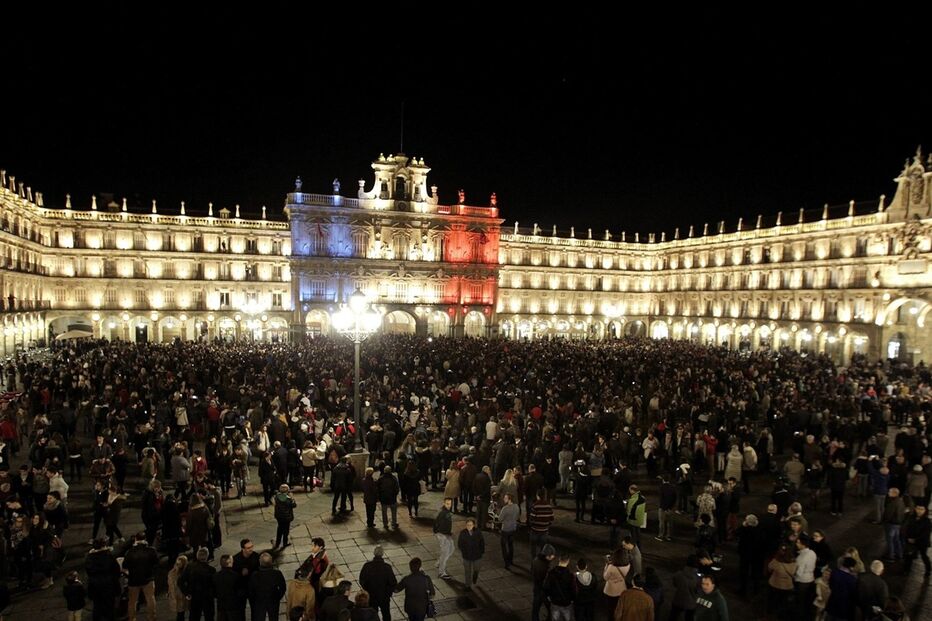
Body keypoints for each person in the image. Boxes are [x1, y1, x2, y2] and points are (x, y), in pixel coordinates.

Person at [123, 532, 159, 621]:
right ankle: (151, 617)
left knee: (132, 601)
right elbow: (156, 563)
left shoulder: (130, 552)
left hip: (133, 580)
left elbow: (124, 565)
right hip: (148, 578)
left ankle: (132, 618)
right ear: (145, 539)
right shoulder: (151, 550)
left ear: (136, 539)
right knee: (150, 599)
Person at [85, 538, 121, 621]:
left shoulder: (89, 558)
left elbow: (89, 572)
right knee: (109, 606)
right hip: (109, 585)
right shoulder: (109, 556)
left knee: (97, 606)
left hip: (95, 586)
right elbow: (116, 571)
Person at [359, 546, 397, 621]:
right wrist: (388, 592)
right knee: (386, 614)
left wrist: (367, 590)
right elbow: (393, 582)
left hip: (371, 596)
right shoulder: (387, 567)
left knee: (373, 615)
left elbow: (362, 580)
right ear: (382, 554)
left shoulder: (367, 566)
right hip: (384, 597)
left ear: (374, 553)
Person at [249, 552, 287, 621]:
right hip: (273, 601)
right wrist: (277, 597)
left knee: (259, 618)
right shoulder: (277, 573)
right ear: (271, 562)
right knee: (274, 618)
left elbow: (251, 590)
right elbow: (283, 587)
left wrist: (254, 600)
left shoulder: (255, 575)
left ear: (260, 562)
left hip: (259, 602)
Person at [181, 547, 216, 621]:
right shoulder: (211, 570)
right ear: (207, 557)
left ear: (197, 556)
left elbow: (180, 581)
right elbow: (214, 585)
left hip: (194, 597)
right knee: (209, 617)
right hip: (207, 598)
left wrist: (187, 593)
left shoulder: (190, 567)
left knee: (194, 617)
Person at [903, 503, 932, 577]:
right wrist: (908, 537)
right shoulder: (912, 517)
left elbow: (925, 534)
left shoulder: (927, 521)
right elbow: (907, 528)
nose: (919, 511)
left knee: (924, 556)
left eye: (921, 509)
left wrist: (915, 539)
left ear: (925, 510)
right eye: (918, 508)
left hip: (922, 542)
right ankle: (906, 570)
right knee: (908, 556)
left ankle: (928, 570)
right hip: (911, 541)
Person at [544, 554, 576, 621]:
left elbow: (546, 586)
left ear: (559, 560)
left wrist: (548, 596)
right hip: (566, 603)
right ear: (568, 561)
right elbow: (573, 589)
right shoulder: (570, 575)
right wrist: (572, 599)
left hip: (555, 602)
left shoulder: (551, 573)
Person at [214, 554, 246, 621]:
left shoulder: (216, 576)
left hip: (221, 607)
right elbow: (241, 592)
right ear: (230, 562)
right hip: (233, 607)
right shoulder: (236, 576)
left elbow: (214, 591)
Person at [670, 555, 700, 621]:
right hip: (691, 604)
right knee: (689, 618)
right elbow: (698, 591)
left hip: (678, 600)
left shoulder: (678, 574)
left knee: (673, 617)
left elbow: (675, 584)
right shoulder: (698, 578)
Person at [458, 517, 485, 590]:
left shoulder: (478, 532)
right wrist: (463, 551)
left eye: (470, 525)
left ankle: (475, 575)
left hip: (477, 555)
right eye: (467, 525)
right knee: (467, 571)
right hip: (467, 556)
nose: (469, 526)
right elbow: (460, 544)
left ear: (474, 525)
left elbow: (482, 542)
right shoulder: (463, 533)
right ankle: (468, 585)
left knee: (476, 569)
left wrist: (481, 551)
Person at [602, 549, 631, 615]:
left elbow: (605, 577)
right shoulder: (628, 565)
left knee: (611, 608)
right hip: (621, 589)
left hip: (611, 590)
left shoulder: (611, 567)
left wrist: (606, 565)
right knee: (619, 607)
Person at [532, 544, 556, 621]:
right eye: (552, 555)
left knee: (535, 609)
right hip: (543, 590)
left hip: (537, 588)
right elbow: (547, 580)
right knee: (550, 608)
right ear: (547, 555)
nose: (553, 557)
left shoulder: (536, 560)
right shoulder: (545, 565)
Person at [499, 493, 520, 569]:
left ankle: (506, 562)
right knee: (511, 545)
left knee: (504, 546)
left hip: (505, 529)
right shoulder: (516, 507)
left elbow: (500, 519)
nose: (504, 499)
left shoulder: (505, 508)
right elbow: (517, 516)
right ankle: (511, 560)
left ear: (509, 499)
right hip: (513, 528)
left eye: (505, 498)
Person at [274, 484, 297, 549]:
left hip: (279, 516)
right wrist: (292, 498)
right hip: (286, 517)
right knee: (286, 531)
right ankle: (285, 543)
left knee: (279, 529)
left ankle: (277, 543)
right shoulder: (288, 500)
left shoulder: (277, 497)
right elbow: (294, 505)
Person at [168, 556, 190, 621]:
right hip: (181, 595)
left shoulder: (172, 572)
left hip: (177, 595)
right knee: (181, 613)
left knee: (180, 613)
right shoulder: (183, 573)